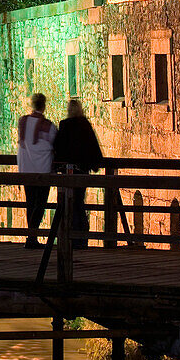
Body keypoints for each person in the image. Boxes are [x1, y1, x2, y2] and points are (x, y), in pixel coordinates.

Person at [53, 99, 104, 249]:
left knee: (67, 204)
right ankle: (81, 238)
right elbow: (93, 146)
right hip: (82, 172)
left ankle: (70, 238)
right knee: (79, 203)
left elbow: (59, 148)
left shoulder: (65, 125)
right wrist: (93, 164)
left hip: (68, 173)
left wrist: (57, 165)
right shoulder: (84, 125)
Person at [17, 93, 56, 248]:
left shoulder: (23, 121)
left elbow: (22, 143)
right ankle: (31, 237)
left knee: (30, 203)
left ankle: (31, 236)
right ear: (44, 105)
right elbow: (54, 144)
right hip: (43, 169)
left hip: (26, 168)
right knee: (40, 204)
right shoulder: (48, 125)